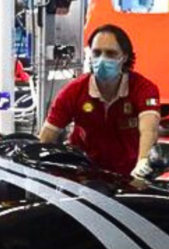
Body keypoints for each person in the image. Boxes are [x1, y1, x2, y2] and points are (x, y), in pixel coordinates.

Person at [38, 24, 160, 177]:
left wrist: (143, 162)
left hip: (131, 176)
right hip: (83, 175)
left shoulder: (143, 89)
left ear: (125, 57)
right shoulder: (73, 92)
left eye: (110, 53)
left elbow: (150, 129)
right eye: (97, 53)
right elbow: (47, 135)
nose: (102, 59)